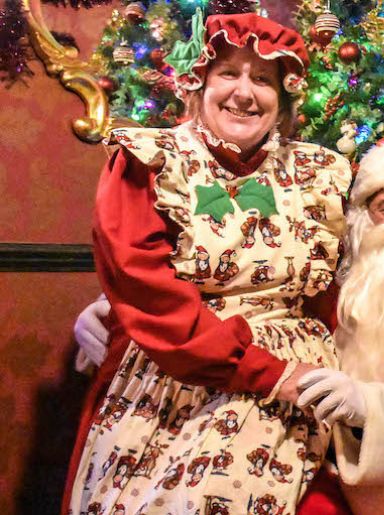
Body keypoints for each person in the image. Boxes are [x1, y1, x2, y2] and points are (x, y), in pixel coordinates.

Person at [73, 127, 384, 514]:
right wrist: (115, 316)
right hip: (321, 467)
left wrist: (373, 410)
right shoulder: (320, 287)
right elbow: (235, 301)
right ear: (363, 218)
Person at [64, 12, 351, 514]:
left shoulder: (319, 172)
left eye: (262, 79)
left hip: (297, 383)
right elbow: (147, 290)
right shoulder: (149, 160)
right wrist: (268, 372)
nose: (245, 92)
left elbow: (339, 291)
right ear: (197, 84)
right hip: (178, 373)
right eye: (228, 74)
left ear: (283, 97)